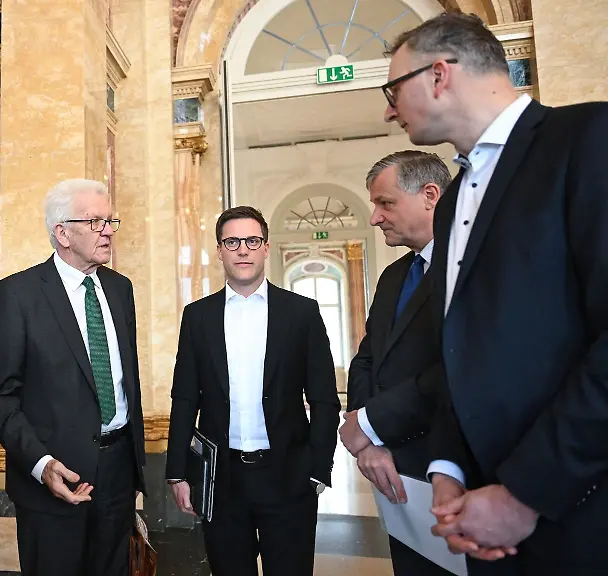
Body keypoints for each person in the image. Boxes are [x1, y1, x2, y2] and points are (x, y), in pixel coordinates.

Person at [382, 13, 608, 574]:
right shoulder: (456, 198)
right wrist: (447, 467)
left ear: (438, 75)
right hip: (480, 514)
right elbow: (464, 350)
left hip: (581, 511)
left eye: (393, 89)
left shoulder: (586, 140)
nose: (388, 109)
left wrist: (526, 492)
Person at [0, 178, 146, 576]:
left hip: (119, 472)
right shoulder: (18, 295)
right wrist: (41, 464)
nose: (107, 231)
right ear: (62, 233)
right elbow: (0, 397)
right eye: (95, 222)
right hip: (55, 478)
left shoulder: (120, 289)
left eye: (110, 221)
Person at [165, 206, 340, 576]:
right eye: (232, 241)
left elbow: (324, 398)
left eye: (251, 240)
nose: (242, 249)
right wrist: (178, 472)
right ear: (220, 250)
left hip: (288, 478)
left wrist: (319, 468)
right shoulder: (197, 317)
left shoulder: (302, 313)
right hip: (222, 481)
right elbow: (184, 399)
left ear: (265, 248)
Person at [340, 150, 451, 575]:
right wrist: (371, 442)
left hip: (452, 466)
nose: (374, 217)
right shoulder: (393, 276)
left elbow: (454, 371)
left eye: (385, 203)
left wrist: (371, 424)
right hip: (395, 474)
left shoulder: (472, 266)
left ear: (429, 195)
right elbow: (367, 359)